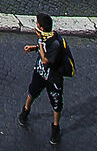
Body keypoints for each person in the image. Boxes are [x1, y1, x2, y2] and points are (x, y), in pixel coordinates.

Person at [18, 13, 71, 144]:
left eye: (37, 24)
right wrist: (34, 47)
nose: (35, 25)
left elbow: (45, 59)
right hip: (40, 73)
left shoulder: (54, 43)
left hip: (53, 78)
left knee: (56, 102)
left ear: (41, 27)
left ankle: (55, 128)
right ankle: (25, 110)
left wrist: (40, 42)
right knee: (32, 91)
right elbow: (43, 49)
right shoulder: (46, 37)